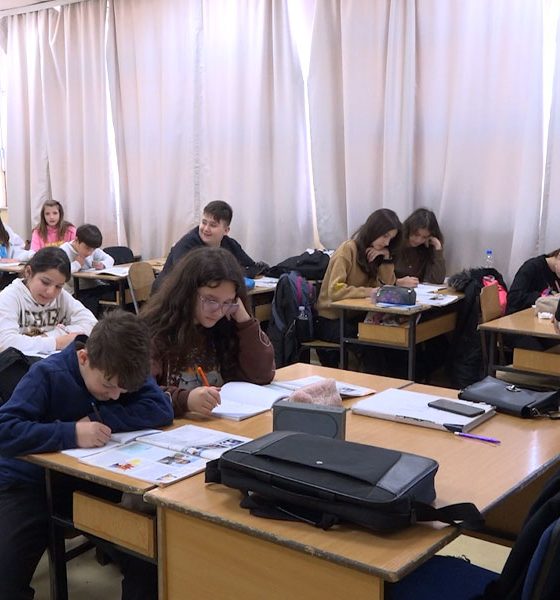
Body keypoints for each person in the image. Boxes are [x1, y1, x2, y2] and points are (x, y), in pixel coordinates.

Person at [0, 309, 173, 600]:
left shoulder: (123, 367)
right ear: (83, 358)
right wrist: (71, 433)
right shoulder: (47, 374)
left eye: (124, 390)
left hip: (88, 483)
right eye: (108, 385)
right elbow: (5, 430)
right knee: (5, 582)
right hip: (27, 484)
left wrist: (100, 417)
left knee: (149, 561)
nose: (116, 395)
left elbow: (161, 409)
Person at [141, 246, 275, 417]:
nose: (218, 311)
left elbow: (262, 375)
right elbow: (140, 392)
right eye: (211, 300)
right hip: (175, 428)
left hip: (221, 424)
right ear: (187, 292)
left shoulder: (227, 324)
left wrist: (244, 320)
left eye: (227, 302)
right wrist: (186, 400)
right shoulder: (155, 331)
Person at [316, 208, 402, 352]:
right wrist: (368, 292)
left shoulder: (375, 253)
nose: (387, 242)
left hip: (357, 316)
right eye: (385, 236)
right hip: (330, 319)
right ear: (374, 229)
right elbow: (335, 290)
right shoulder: (348, 249)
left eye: (391, 239)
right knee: (370, 343)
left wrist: (386, 258)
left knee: (390, 339)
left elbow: (386, 287)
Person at [0, 246, 97, 354]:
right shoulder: (9, 297)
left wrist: (54, 334)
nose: (51, 292)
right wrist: (56, 342)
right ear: (28, 272)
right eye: (45, 282)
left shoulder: (61, 296)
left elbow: (93, 325)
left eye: (58, 286)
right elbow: (5, 343)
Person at [153, 200, 266, 291]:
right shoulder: (187, 244)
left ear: (226, 230)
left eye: (213, 225)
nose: (206, 229)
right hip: (170, 298)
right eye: (204, 222)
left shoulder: (230, 244)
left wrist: (231, 274)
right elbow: (191, 277)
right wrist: (231, 273)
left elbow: (253, 267)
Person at [60, 223, 115, 315]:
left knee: (117, 292)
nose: (90, 252)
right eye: (87, 248)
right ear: (76, 240)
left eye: (93, 249)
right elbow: (60, 272)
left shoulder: (92, 248)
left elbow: (110, 259)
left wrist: (103, 264)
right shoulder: (64, 250)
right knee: (90, 302)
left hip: (96, 286)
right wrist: (77, 264)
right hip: (76, 291)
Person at [394, 208, 446, 286]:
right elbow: (381, 279)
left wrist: (438, 248)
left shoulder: (426, 248)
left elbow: (437, 280)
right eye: (416, 235)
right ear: (409, 230)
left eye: (424, 237)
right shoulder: (395, 243)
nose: (418, 240)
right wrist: (397, 282)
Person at [507, 249, 560, 315]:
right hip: (518, 315)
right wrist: (545, 297)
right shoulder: (532, 267)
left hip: (542, 315)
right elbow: (513, 298)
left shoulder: (556, 272)